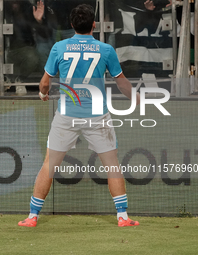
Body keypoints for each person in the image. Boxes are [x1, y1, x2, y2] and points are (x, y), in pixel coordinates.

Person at [18, 4, 140, 228]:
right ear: (94, 25)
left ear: (72, 25)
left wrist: (43, 94)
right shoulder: (105, 49)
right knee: (112, 165)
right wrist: (136, 97)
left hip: (67, 115)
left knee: (49, 165)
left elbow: (45, 83)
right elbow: (121, 83)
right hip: (97, 116)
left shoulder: (59, 47)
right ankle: (122, 217)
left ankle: (32, 217)